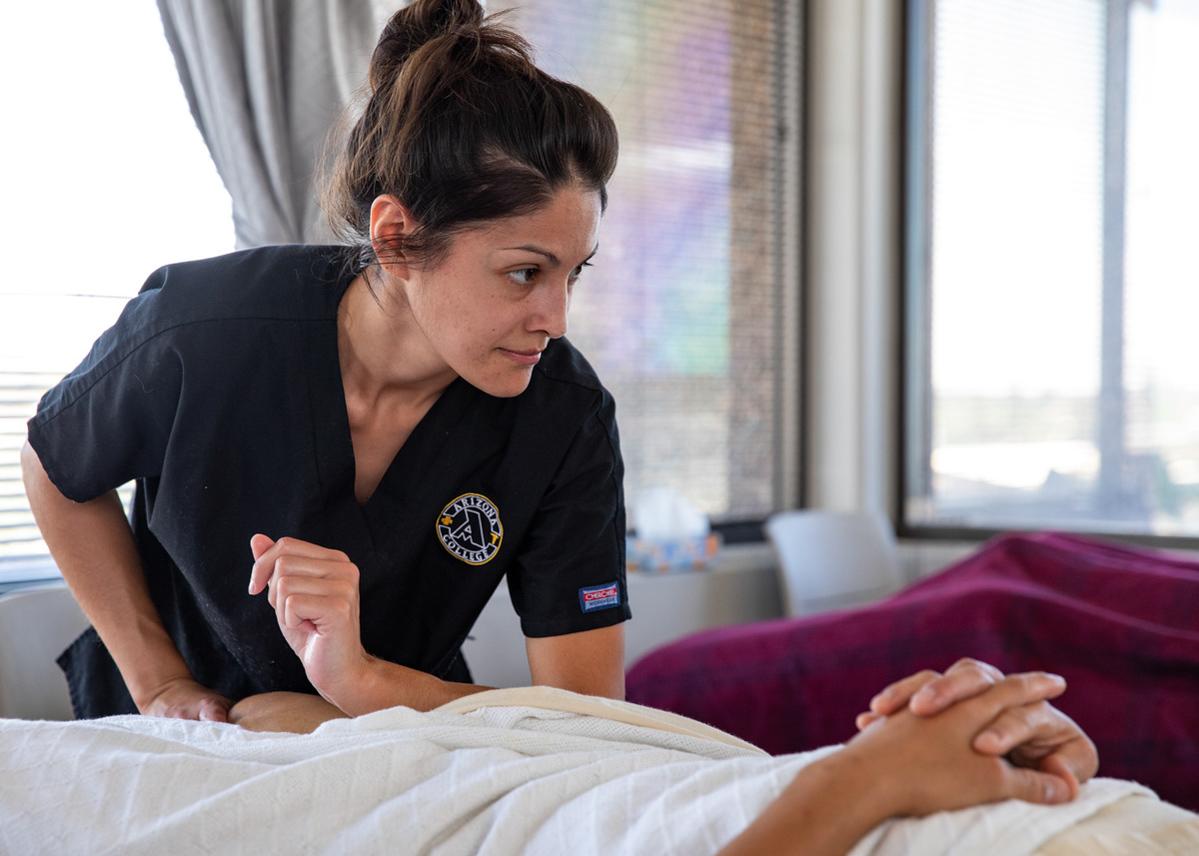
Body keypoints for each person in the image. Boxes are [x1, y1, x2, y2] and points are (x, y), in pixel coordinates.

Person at [21, 0, 629, 721]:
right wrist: (160, 684)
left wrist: (364, 686)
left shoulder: (564, 418)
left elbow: (587, 713)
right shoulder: (207, 328)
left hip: (395, 747)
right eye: (525, 273)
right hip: (164, 734)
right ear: (397, 237)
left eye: (574, 273)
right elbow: (55, 465)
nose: (556, 321)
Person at [226, 658, 1100, 855]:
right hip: (720, 778)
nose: (553, 316)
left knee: (268, 722)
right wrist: (1054, 767)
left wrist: (862, 776)